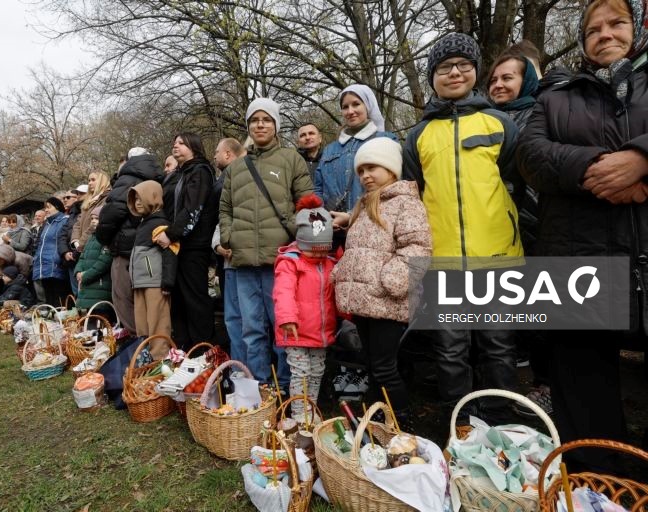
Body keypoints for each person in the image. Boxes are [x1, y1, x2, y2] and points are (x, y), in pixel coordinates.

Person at [517, 0, 648, 471]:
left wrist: (640, 159)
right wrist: (595, 168)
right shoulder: (556, 96)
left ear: (637, 28)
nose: (605, 34)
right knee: (585, 400)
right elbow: (530, 154)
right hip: (577, 260)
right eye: (593, 28)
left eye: (617, 23)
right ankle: (602, 490)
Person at [402, 32, 523, 429]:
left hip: (498, 258)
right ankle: (461, 424)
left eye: (463, 65)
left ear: (476, 72)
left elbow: (517, 181)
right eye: (444, 67)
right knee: (450, 350)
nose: (454, 72)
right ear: (433, 76)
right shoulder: (418, 135)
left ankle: (503, 423)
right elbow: (414, 192)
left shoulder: (501, 123)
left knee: (498, 347)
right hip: (443, 260)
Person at [332, 137, 432, 430]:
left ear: (391, 169)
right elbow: (360, 249)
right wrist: (341, 272)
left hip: (387, 300)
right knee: (374, 364)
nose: (365, 175)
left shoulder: (406, 204)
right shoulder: (364, 205)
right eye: (361, 170)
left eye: (372, 167)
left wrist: (391, 279)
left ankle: (402, 424)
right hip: (364, 300)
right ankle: (379, 420)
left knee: (385, 367)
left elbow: (418, 247)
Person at [219, 97, 313, 392]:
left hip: (281, 262)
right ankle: (260, 388)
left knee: (284, 330)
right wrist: (228, 236)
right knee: (251, 331)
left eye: (266, 120)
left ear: (275, 125)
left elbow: (308, 202)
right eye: (254, 120)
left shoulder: (290, 159)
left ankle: (286, 386)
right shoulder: (235, 169)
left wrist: (298, 238)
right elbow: (225, 209)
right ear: (248, 126)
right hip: (244, 263)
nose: (260, 125)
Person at [487, 41, 554, 418]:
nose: (498, 85)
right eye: (494, 79)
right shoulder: (488, 118)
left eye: (507, 78)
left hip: (535, 223)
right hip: (498, 226)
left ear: (527, 79)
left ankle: (546, 386)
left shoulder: (541, 112)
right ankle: (504, 388)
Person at [273, 194, 338, 424]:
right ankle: (300, 413)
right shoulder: (290, 263)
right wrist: (288, 318)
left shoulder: (329, 263)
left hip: (320, 334)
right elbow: (283, 293)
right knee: (300, 374)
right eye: (313, 250)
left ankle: (311, 409)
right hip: (297, 332)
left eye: (323, 250)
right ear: (301, 243)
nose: (319, 255)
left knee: (317, 373)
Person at [154, 132, 217, 349]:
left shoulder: (200, 172)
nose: (176, 145)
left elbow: (193, 209)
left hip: (194, 246)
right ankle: (183, 350)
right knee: (179, 300)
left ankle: (203, 351)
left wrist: (171, 233)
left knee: (195, 300)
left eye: (182, 143)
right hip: (180, 245)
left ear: (195, 147)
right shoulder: (181, 173)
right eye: (175, 143)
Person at [96, 147, 163, 334]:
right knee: (147, 301)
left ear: (128, 161)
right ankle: (150, 343)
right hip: (149, 247)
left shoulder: (127, 177)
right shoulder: (157, 176)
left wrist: (103, 238)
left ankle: (137, 343)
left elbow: (113, 212)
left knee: (124, 298)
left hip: (126, 248)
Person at [314, 84, 398, 221]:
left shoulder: (386, 139)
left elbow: (395, 188)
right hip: (333, 230)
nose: (350, 111)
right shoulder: (330, 149)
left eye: (356, 104)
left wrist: (352, 217)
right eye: (345, 107)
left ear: (367, 106)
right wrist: (323, 219)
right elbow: (318, 189)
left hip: (373, 224)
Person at [128, 181, 177, 338]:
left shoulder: (160, 223)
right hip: (140, 281)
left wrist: (168, 282)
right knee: (141, 323)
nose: (137, 203)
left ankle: (159, 357)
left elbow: (171, 252)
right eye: (135, 199)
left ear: (153, 197)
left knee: (158, 323)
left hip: (155, 283)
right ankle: (144, 355)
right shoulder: (143, 224)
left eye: (140, 198)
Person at [212, 138, 246, 357]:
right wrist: (217, 245)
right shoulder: (225, 182)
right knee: (233, 318)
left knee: (252, 320)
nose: (214, 156)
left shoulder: (242, 177)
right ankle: (238, 367)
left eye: (216, 151)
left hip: (249, 259)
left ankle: (259, 375)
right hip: (229, 262)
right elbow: (222, 217)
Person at [32, 196, 72, 307]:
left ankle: (61, 320)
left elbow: (63, 241)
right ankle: (51, 322)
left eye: (49, 207)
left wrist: (57, 259)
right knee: (48, 297)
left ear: (57, 207)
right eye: (45, 208)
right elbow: (41, 244)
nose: (46, 210)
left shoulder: (64, 220)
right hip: (43, 264)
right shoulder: (47, 224)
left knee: (59, 298)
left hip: (55, 265)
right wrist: (36, 259)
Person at [74, 206, 114, 314]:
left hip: (100, 285)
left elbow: (104, 261)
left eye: (97, 218)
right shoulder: (91, 237)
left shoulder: (107, 237)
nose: (93, 221)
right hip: (86, 284)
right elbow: (82, 256)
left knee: (100, 319)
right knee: (88, 318)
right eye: (92, 219)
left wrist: (86, 275)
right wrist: (78, 271)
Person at [71, 170, 111, 252]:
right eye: (89, 180)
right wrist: (75, 240)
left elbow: (94, 224)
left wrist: (81, 243)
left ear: (102, 181)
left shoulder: (107, 198)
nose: (89, 183)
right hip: (82, 247)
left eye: (93, 180)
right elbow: (78, 223)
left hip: (94, 246)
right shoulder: (89, 201)